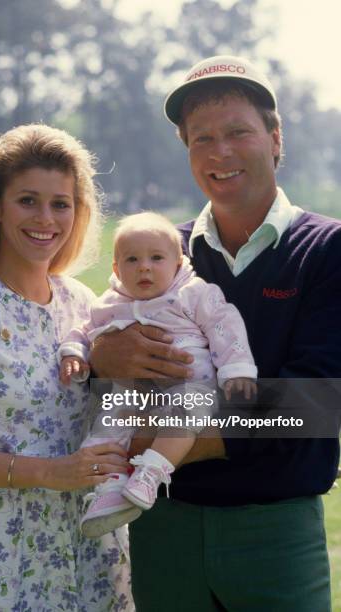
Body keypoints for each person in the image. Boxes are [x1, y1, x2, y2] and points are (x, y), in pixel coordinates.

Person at [89, 55, 341, 611]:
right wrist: (103, 355)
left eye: (238, 132)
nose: (219, 152)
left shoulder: (327, 249)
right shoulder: (160, 251)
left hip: (273, 531)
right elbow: (93, 364)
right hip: (162, 526)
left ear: (276, 138)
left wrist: (160, 445)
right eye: (201, 138)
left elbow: (316, 404)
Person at [0, 124, 134, 611]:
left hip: (91, 556)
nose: (46, 219)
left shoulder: (83, 303)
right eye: (27, 201)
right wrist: (48, 472)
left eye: (61, 204)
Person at [59, 211, 256, 538]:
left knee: (186, 414)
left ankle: (152, 471)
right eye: (132, 259)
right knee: (110, 419)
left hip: (189, 383)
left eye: (156, 258)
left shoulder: (192, 293)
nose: (144, 267)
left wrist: (237, 369)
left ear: (178, 263)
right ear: (116, 268)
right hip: (134, 390)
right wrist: (75, 353)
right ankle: (109, 487)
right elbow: (84, 329)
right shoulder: (110, 302)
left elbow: (224, 326)